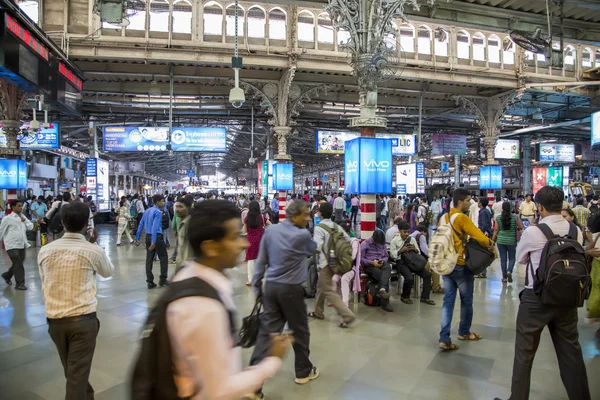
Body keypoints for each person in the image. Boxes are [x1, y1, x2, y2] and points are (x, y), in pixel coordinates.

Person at [494, 186, 591, 400]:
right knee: (571, 352)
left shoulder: (534, 232)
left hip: (535, 299)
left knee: (524, 353)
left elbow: (520, 259)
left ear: (540, 207)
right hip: (567, 298)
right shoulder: (575, 230)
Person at [38, 201, 113, 400]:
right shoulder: (92, 250)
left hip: (55, 321)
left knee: (72, 372)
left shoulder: (45, 251)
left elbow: (45, 280)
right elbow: (108, 272)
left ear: (62, 222)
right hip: (83, 321)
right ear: (87, 223)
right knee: (76, 375)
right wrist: (94, 243)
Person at [249, 200, 319, 395]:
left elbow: (261, 260)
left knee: (266, 335)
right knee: (300, 331)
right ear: (294, 216)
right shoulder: (303, 235)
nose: (308, 218)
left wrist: (256, 286)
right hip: (291, 290)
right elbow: (312, 248)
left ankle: (253, 387)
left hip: (270, 288)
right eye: (305, 215)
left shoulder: (271, 231)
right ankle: (303, 371)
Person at [438, 188, 495, 351]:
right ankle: (464, 331)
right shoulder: (462, 218)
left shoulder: (443, 218)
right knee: (466, 301)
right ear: (460, 202)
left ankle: (444, 338)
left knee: (447, 302)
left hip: (447, 264)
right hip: (461, 265)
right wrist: (491, 245)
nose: (471, 202)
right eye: (469, 199)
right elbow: (482, 238)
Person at [308, 203, 356, 328]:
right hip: (337, 261)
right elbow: (348, 239)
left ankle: (347, 315)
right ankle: (318, 311)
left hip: (326, 263)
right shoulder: (336, 226)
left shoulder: (319, 228)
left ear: (320, 213)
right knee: (321, 286)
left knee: (328, 289)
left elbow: (317, 246)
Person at [390, 221, 435, 305]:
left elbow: (418, 253)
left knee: (427, 275)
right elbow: (393, 255)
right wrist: (401, 250)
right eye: (404, 232)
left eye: (408, 232)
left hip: (412, 261)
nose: (407, 234)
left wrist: (414, 249)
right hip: (401, 263)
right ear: (400, 231)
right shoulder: (394, 241)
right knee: (409, 278)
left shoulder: (412, 239)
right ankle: (405, 296)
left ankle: (425, 297)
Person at [136, 194, 169, 289]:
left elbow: (141, 224)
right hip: (156, 237)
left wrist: (137, 238)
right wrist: (154, 241)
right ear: (157, 202)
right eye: (162, 201)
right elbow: (155, 227)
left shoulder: (147, 211)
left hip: (147, 236)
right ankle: (163, 279)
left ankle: (149, 281)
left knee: (149, 259)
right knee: (163, 257)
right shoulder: (158, 212)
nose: (163, 203)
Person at [0, 200, 34, 290]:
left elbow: (30, 227)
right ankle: (20, 284)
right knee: (18, 263)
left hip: (21, 244)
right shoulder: (7, 219)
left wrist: (25, 221)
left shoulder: (23, 217)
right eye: (18, 206)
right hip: (11, 245)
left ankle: (7, 276)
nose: (20, 208)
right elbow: (1, 231)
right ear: (13, 207)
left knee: (18, 263)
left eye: (21, 206)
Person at [360, 230, 394, 312]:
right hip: (370, 265)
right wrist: (372, 262)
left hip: (380, 263)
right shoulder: (365, 244)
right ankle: (385, 303)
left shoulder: (382, 243)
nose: (379, 244)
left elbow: (386, 256)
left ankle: (382, 290)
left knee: (387, 267)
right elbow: (360, 259)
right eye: (377, 242)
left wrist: (383, 260)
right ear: (373, 238)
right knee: (382, 276)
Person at [331, 220, 361, 308]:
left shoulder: (354, 242)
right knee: (333, 278)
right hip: (340, 268)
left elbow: (353, 257)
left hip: (351, 269)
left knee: (344, 279)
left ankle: (345, 304)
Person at [492, 201, 523, 284]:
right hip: (512, 241)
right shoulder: (515, 217)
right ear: (510, 208)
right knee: (512, 258)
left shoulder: (498, 218)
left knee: (503, 259)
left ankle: (504, 277)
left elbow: (496, 230)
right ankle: (509, 271)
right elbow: (521, 226)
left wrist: (492, 240)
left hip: (501, 241)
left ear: (502, 208)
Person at [244, 200, 271, 286]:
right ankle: (259, 279)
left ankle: (250, 280)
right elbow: (270, 224)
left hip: (250, 240)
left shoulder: (247, 218)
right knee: (260, 260)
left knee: (250, 260)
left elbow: (245, 230)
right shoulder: (262, 217)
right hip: (260, 240)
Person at [174, 195, 193, 271]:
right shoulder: (182, 224)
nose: (177, 209)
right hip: (181, 266)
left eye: (180, 207)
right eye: (176, 207)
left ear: (188, 208)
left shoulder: (191, 224)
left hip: (188, 268)